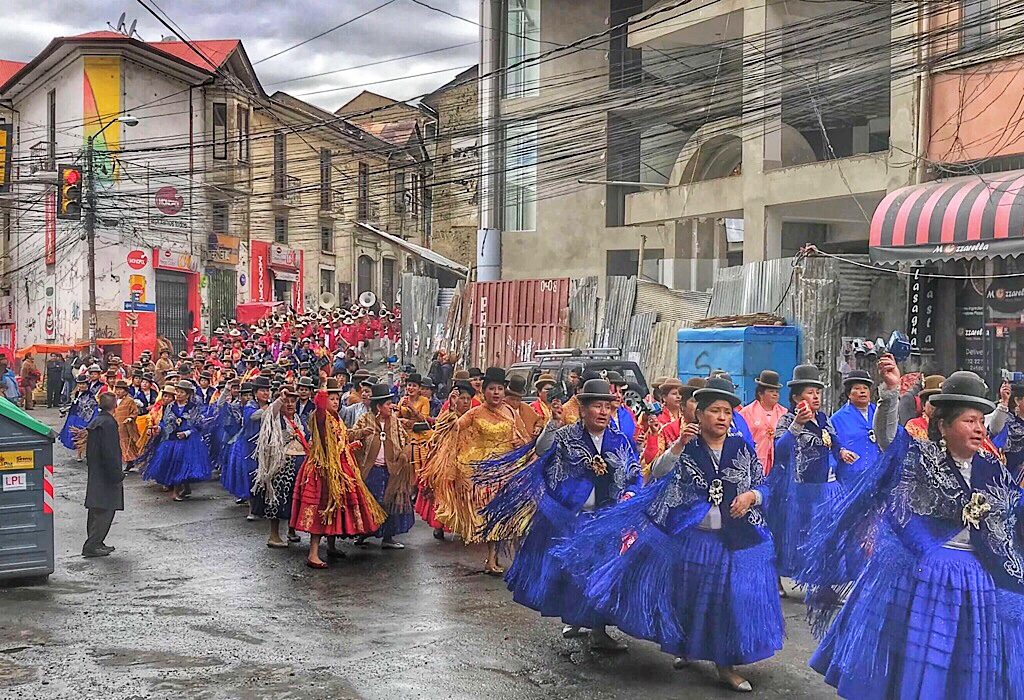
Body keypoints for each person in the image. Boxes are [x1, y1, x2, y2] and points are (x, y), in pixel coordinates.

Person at [800, 357, 1024, 699]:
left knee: (962, 666)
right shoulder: (919, 457)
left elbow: (1010, 517)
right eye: (969, 421)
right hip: (926, 577)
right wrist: (890, 392)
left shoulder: (991, 466)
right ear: (944, 425)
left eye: (981, 421)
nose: (979, 428)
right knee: (913, 662)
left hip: (975, 582)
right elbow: (888, 436)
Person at [554, 376, 783, 691]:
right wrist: (678, 446)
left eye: (727, 412)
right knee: (689, 598)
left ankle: (725, 665)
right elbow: (657, 472)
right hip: (692, 537)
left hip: (732, 539)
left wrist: (751, 497)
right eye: (715, 411)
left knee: (724, 602)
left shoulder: (740, 448)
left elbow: (764, 485)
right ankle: (690, 649)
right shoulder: (686, 449)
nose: (721, 417)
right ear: (698, 414)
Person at [475, 378, 642, 652]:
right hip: (571, 518)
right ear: (583, 409)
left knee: (599, 575)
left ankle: (598, 630)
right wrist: (552, 423)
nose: (602, 412)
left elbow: (634, 475)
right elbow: (542, 452)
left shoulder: (620, 441)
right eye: (596, 406)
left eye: (606, 407)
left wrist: (631, 495)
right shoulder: (566, 437)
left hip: (606, 521)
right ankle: (576, 618)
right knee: (574, 574)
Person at [423, 367, 529, 574]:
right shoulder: (474, 413)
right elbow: (451, 429)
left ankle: (505, 559)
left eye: (500, 389)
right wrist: (452, 410)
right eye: (492, 389)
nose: (496, 393)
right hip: (483, 472)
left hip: (507, 470)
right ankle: (491, 559)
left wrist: (522, 445)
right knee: (490, 516)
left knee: (508, 516)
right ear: (484, 392)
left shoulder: (510, 411)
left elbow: (521, 436)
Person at [767, 364, 858, 586]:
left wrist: (842, 452)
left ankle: (824, 581)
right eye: (810, 392)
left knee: (826, 534)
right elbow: (780, 450)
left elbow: (834, 441)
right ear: (797, 397)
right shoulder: (787, 420)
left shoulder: (824, 418)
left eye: (818, 392)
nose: (816, 397)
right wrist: (798, 424)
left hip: (825, 486)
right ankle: (783, 576)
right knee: (796, 535)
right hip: (799, 488)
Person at [290, 378, 384, 569]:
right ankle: (313, 554)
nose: (335, 402)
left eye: (337, 399)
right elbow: (323, 421)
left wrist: (358, 436)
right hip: (323, 470)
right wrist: (322, 392)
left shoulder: (337, 418)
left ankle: (331, 545)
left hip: (340, 467)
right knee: (322, 508)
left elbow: (342, 436)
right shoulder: (320, 417)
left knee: (337, 507)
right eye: (331, 399)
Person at [350, 383, 417, 550]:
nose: (391, 407)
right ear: (379, 407)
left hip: (390, 469)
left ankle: (388, 537)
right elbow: (350, 435)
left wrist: (403, 456)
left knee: (390, 502)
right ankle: (365, 532)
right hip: (371, 470)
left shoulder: (394, 422)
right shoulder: (365, 420)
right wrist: (361, 433)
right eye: (388, 404)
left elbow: (404, 440)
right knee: (370, 502)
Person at [251, 387, 305, 548]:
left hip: (299, 463)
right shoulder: (274, 418)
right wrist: (279, 399)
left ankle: (292, 530)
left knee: (295, 499)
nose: (289, 404)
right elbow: (269, 414)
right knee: (277, 500)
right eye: (286, 401)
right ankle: (274, 535)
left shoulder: (297, 418)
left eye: (292, 401)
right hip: (280, 465)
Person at [142, 380, 211, 502]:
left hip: (188, 441)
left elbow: (199, 425)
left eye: (181, 392)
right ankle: (178, 490)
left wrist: (187, 433)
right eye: (177, 391)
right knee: (176, 464)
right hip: (172, 439)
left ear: (188, 395)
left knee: (184, 465)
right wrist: (158, 428)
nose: (178, 394)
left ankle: (180, 490)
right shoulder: (170, 406)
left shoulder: (193, 408)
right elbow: (164, 422)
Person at [82, 393, 125, 558]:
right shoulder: (108, 423)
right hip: (107, 473)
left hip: (96, 471)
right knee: (105, 510)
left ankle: (97, 542)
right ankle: (92, 545)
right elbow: (110, 451)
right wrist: (117, 474)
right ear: (115, 406)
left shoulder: (97, 421)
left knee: (95, 509)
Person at [223, 376, 270, 510]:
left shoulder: (271, 404)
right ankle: (252, 507)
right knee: (251, 474)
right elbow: (252, 417)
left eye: (267, 390)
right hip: (249, 445)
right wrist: (269, 408)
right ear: (256, 393)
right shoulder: (250, 406)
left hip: (266, 445)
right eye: (262, 390)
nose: (265, 393)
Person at [829, 369, 880, 483]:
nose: (862, 392)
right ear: (848, 394)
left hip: (878, 475)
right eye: (857, 388)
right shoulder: (837, 419)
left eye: (865, 388)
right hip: (851, 477)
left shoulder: (879, 413)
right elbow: (830, 446)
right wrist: (841, 453)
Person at [738, 370, 787, 474]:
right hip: (755, 461)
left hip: (778, 463)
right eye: (771, 391)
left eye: (777, 392)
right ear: (760, 393)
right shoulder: (746, 413)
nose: (775, 395)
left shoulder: (784, 413)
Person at [990, 381, 1024, 478]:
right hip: (1007, 478)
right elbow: (995, 429)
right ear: (1018, 401)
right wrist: (1004, 402)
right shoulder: (1008, 420)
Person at [60, 375, 97, 462]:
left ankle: (80, 454)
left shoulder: (90, 395)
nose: (81, 386)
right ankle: (79, 453)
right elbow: (74, 404)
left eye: (83, 384)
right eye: (80, 384)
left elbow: (91, 407)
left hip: (83, 418)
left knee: (81, 435)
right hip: (73, 416)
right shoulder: (76, 394)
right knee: (73, 434)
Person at [111, 380, 142, 473]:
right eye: (117, 389)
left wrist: (130, 418)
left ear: (125, 391)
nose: (118, 391)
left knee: (127, 443)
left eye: (120, 390)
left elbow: (135, 412)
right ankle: (126, 461)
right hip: (115, 425)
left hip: (126, 426)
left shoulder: (130, 400)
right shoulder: (114, 400)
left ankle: (130, 461)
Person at [904, 374, 944, 440]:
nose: (936, 406)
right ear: (923, 405)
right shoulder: (913, 426)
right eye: (932, 401)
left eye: (940, 401)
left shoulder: (950, 426)